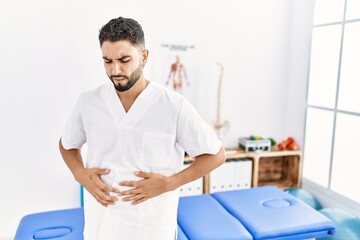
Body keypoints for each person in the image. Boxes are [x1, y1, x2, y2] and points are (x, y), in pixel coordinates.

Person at [59, 16, 226, 240]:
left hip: (151, 228)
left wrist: (169, 183)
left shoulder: (173, 106)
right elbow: (67, 145)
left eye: (124, 59)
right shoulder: (88, 102)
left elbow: (216, 155)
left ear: (144, 56)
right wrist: (79, 174)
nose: (115, 70)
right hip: (101, 227)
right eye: (107, 61)